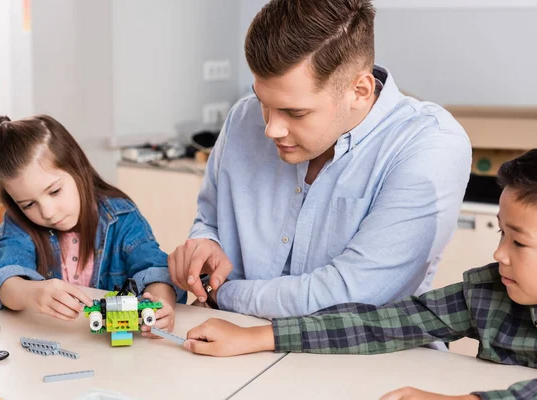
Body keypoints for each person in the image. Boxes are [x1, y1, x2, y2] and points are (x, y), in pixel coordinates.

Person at [168, 0, 471, 318]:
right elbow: (210, 220)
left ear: (360, 90)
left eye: (295, 112)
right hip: (227, 346)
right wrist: (204, 244)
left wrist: (223, 294)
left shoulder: (430, 144)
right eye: (263, 102)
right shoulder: (242, 119)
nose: (271, 128)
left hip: (362, 361)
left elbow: (353, 294)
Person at [182, 150, 537, 399]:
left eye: (519, 243)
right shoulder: (488, 292)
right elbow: (383, 323)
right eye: (501, 234)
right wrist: (258, 337)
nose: (499, 254)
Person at [0, 115, 185, 336]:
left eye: (54, 191)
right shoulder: (19, 224)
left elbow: (156, 270)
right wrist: (29, 292)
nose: (48, 212)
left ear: (77, 168)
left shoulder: (121, 216)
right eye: (28, 204)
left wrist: (160, 304)